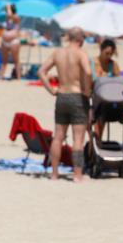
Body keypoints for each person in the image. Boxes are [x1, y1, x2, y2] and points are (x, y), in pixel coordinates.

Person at [38, 27, 92, 181]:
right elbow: (88, 72)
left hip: (61, 96)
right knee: (78, 139)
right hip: (77, 97)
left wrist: (51, 90)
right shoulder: (81, 54)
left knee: (58, 137)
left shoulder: (57, 53)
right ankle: (77, 175)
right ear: (80, 39)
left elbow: (41, 72)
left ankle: (54, 174)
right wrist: (87, 90)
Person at [0, 5, 22, 80]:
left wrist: (8, 7)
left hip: (14, 41)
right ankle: (1, 77)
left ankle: (18, 78)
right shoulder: (7, 18)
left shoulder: (16, 17)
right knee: (4, 61)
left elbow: (10, 15)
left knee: (16, 60)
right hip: (5, 41)